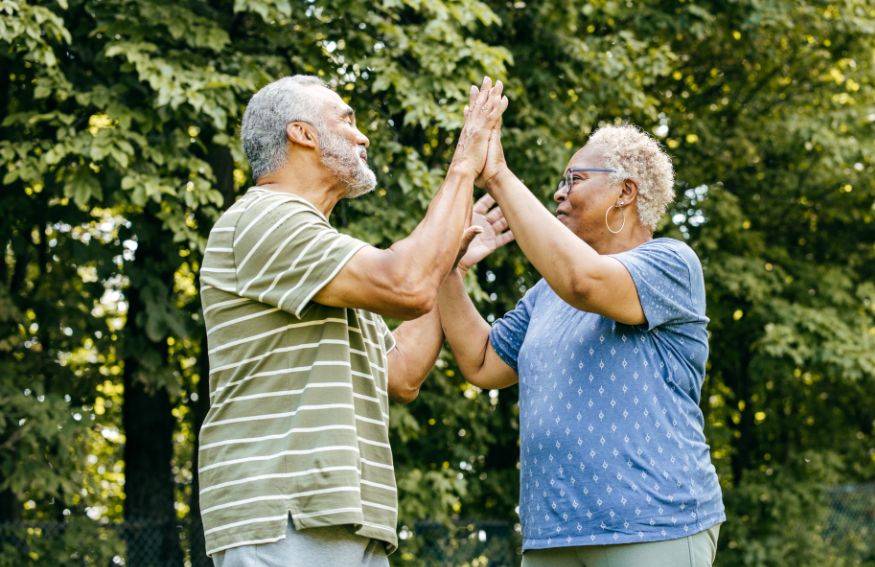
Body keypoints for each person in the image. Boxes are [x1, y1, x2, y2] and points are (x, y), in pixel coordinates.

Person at [197, 75, 508, 566]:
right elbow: (406, 285)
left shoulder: (324, 264)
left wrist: (448, 266)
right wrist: (465, 163)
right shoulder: (264, 217)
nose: (362, 136)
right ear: (303, 134)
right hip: (284, 514)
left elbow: (402, 374)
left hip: (344, 518)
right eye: (346, 119)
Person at [439, 123, 726, 566]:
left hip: (653, 525)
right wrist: (450, 270)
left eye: (574, 179)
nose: (559, 193)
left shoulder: (671, 263)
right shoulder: (545, 294)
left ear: (625, 192)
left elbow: (585, 282)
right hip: (551, 535)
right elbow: (481, 363)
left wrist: (497, 173)